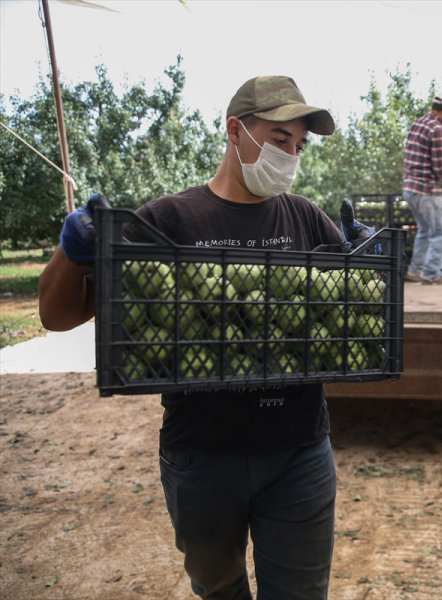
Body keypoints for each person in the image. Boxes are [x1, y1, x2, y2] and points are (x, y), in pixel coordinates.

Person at [38, 76, 370, 600]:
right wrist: (72, 252)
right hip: (204, 453)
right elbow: (58, 317)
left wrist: (365, 259)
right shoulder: (169, 219)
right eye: (280, 140)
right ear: (236, 131)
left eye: (299, 146)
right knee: (218, 589)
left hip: (299, 450)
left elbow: (355, 311)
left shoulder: (305, 217)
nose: (291, 156)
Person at [402, 88, 442, 285]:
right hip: (426, 190)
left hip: (410, 188)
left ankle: (415, 271)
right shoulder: (437, 129)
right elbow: (440, 164)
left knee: (426, 230)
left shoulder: (418, 123)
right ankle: (431, 273)